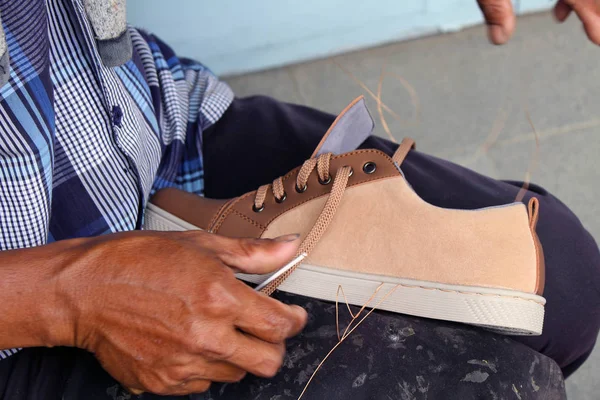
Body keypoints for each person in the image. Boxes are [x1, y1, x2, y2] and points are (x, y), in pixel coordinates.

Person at [0, 0, 598, 399]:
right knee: (501, 386)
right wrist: (69, 296)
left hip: (145, 122)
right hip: (26, 314)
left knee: (568, 280)